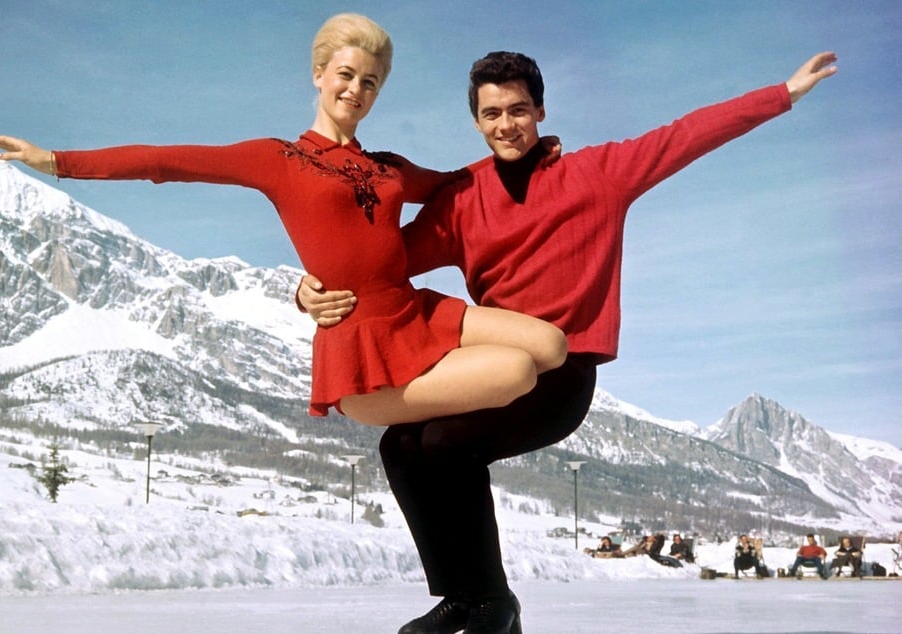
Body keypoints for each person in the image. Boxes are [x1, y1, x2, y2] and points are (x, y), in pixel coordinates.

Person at [300, 50, 836, 633]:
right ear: (477, 122)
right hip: (487, 364)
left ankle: (490, 601)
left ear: (540, 111)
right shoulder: (461, 199)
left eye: (518, 110)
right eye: (492, 113)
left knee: (448, 442)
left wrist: (782, 94)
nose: (506, 124)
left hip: (561, 376)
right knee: (401, 447)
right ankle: (466, 594)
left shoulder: (598, 175)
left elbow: (685, 136)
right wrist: (309, 291)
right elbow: (378, 261)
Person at [0, 13, 567, 429]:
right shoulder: (279, 158)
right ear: (319, 75)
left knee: (550, 345)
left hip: (415, 312)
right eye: (345, 74)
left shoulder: (388, 168)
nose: (356, 90)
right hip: (361, 349)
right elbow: (164, 162)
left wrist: (530, 150)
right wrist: (57, 161)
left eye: (370, 81)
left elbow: (459, 185)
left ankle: (439, 414)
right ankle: (427, 434)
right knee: (515, 371)